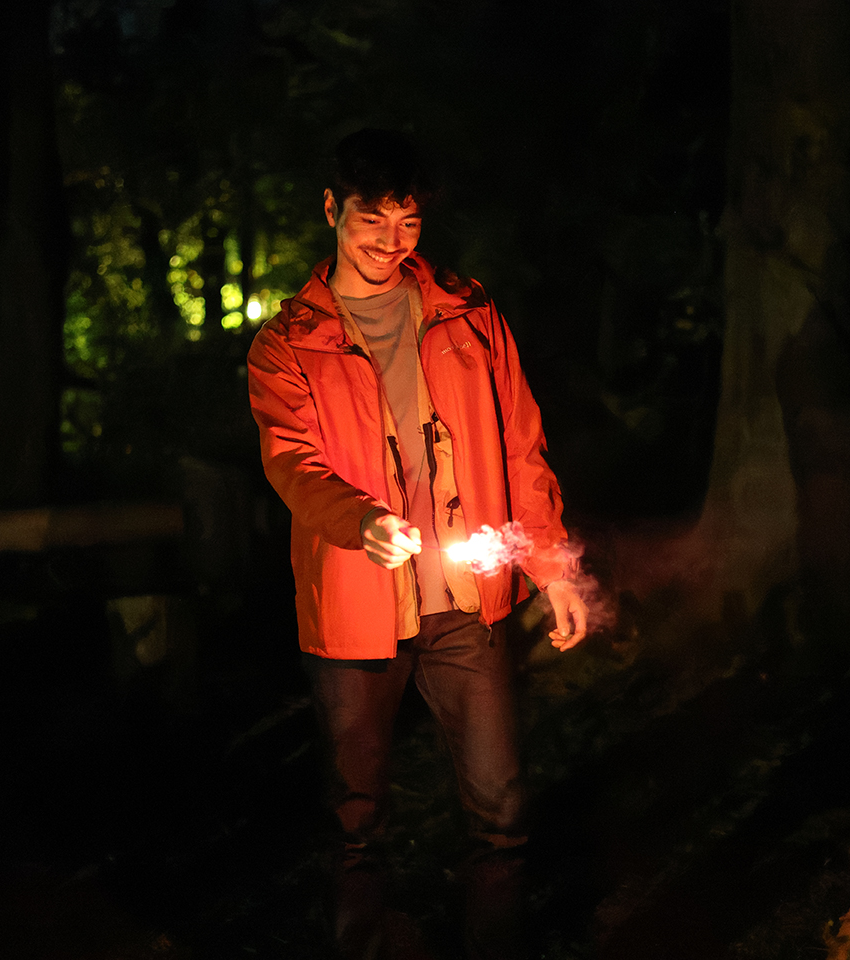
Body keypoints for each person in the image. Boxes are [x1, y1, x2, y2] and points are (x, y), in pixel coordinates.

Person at [247, 128, 588, 960]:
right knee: (357, 823)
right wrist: (359, 521)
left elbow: (521, 447)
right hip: (355, 612)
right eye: (371, 220)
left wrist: (554, 568)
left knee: (502, 818)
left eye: (407, 223)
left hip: (467, 606)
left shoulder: (468, 313)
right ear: (332, 210)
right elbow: (292, 461)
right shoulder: (289, 342)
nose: (389, 243)